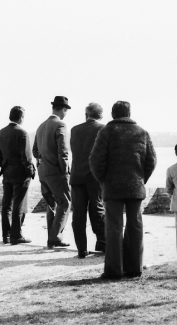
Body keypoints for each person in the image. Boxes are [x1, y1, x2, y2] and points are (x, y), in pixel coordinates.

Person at [89, 101, 156, 279]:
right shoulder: (142, 132)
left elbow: (95, 161)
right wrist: (141, 179)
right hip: (135, 185)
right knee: (135, 226)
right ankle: (134, 268)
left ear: (113, 113)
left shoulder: (106, 132)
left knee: (113, 227)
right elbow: (151, 161)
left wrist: (103, 180)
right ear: (129, 113)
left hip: (113, 186)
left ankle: (114, 270)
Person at [33, 96, 72, 248]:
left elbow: (35, 151)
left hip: (43, 172)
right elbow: (63, 152)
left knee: (51, 204)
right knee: (65, 202)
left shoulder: (41, 126)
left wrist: (43, 160)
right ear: (63, 109)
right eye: (66, 110)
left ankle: (52, 236)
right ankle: (55, 237)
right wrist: (66, 171)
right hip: (56, 172)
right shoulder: (60, 125)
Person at [70, 102, 106, 258]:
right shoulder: (103, 129)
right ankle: (103, 243)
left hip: (77, 175)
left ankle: (81, 249)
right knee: (97, 209)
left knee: (78, 213)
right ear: (101, 115)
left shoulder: (74, 130)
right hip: (94, 176)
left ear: (86, 115)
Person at [0, 106, 35, 244]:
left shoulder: (1, 132)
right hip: (20, 174)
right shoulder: (22, 133)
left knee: (6, 205)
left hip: (7, 173)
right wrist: (31, 172)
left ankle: (6, 235)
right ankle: (16, 235)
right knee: (18, 204)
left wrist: (4, 165)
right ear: (21, 117)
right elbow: (26, 157)